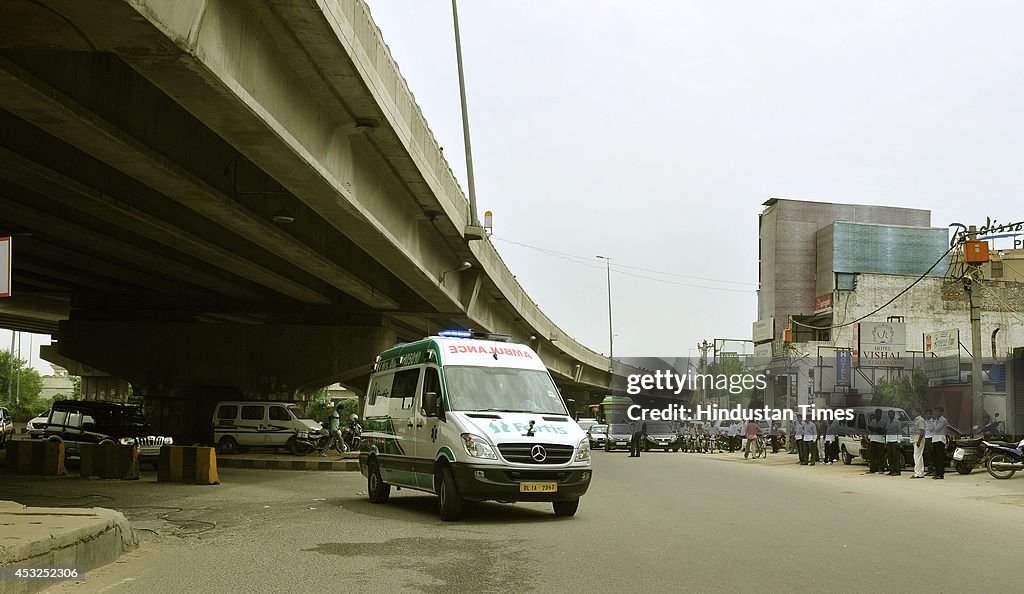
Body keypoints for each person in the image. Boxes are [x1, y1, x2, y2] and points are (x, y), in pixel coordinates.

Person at [866, 409, 886, 474]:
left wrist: (874, 429)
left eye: (879, 414)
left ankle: (881, 468)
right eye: (876, 413)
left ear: (881, 414)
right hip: (873, 439)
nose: (877, 415)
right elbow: (869, 428)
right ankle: (872, 469)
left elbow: (881, 430)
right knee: (872, 455)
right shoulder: (873, 421)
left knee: (880, 455)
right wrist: (876, 429)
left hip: (880, 440)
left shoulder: (883, 421)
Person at [884, 410, 902, 475]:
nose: (890, 415)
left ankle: (897, 471)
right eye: (889, 414)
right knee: (890, 457)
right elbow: (887, 432)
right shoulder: (888, 422)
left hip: (895, 441)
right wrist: (886, 441)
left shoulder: (897, 422)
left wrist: (899, 441)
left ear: (894, 414)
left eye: (891, 414)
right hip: (889, 441)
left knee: (896, 457)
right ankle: (891, 470)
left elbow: (899, 432)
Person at [932, 407, 948, 479]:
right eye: (935, 411)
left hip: (940, 440)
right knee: (935, 458)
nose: (936, 413)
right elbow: (930, 428)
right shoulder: (936, 420)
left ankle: (940, 473)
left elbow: (937, 428)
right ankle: (937, 472)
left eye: (937, 411)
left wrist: (933, 422)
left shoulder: (943, 420)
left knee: (940, 458)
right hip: (935, 439)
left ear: (941, 412)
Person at [910, 408, 926, 478]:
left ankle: (918, 473)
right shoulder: (916, 420)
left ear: (918, 412)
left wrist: (919, 441)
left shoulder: (920, 420)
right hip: (915, 440)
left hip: (918, 440)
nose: (912, 414)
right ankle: (919, 472)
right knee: (918, 456)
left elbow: (922, 431)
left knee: (917, 457)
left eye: (913, 412)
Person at [923, 409, 935, 475]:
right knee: (928, 455)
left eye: (929, 414)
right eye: (927, 414)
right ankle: (929, 470)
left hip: (931, 438)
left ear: (932, 414)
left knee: (933, 454)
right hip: (926, 438)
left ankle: (934, 469)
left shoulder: (933, 422)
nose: (928, 415)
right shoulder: (925, 422)